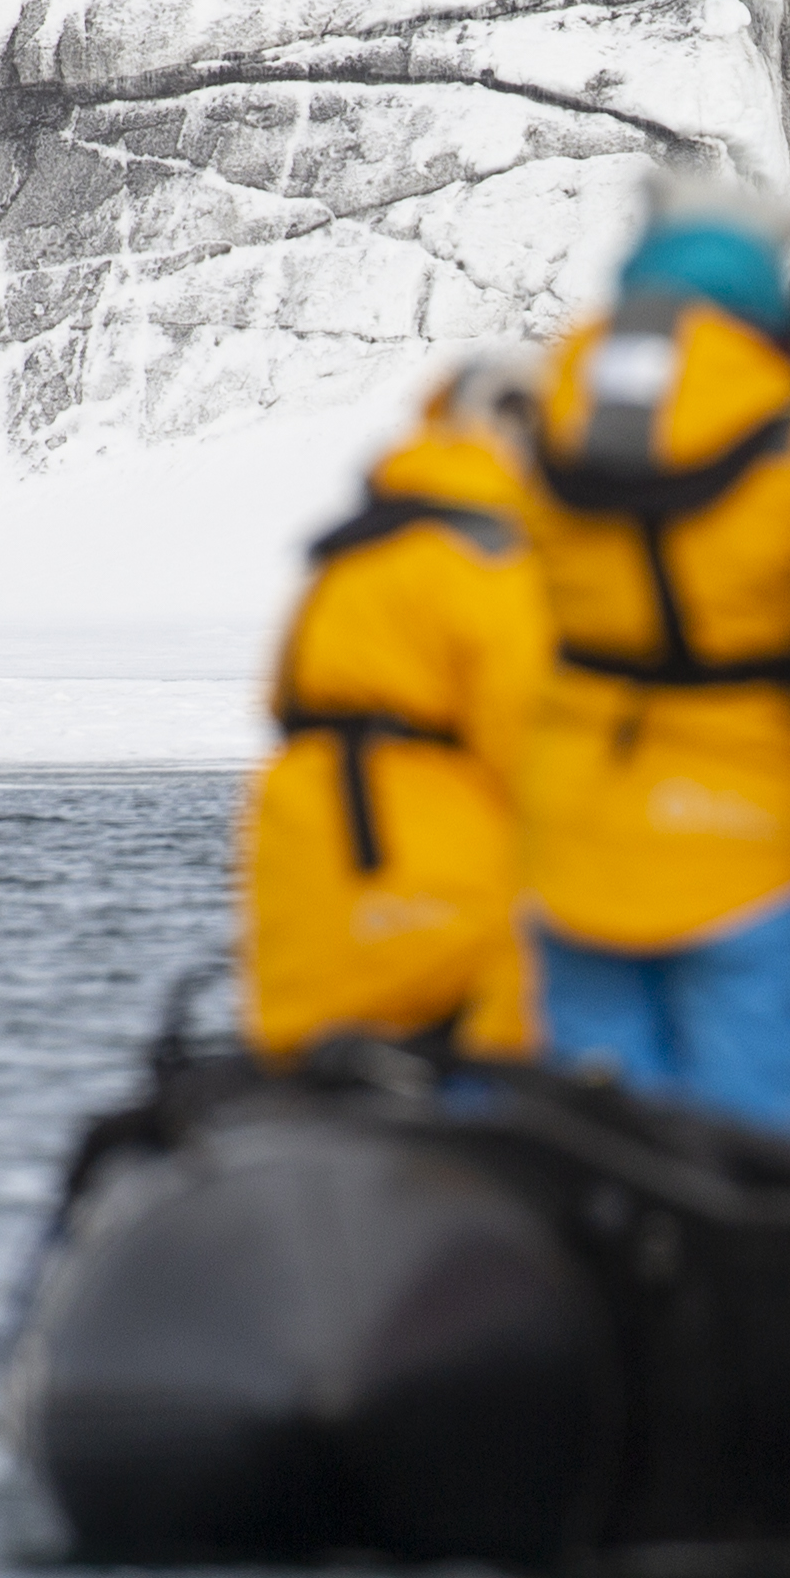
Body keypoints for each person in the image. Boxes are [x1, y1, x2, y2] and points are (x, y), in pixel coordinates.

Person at [517, 170, 790, 1134]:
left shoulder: (561, 394)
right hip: (745, 831)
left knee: (600, 1150)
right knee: (758, 1149)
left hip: (578, 827)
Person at [238, 352, 553, 1064]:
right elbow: (535, 755)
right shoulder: (492, 566)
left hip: (310, 912)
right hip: (434, 916)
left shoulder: (349, 556)